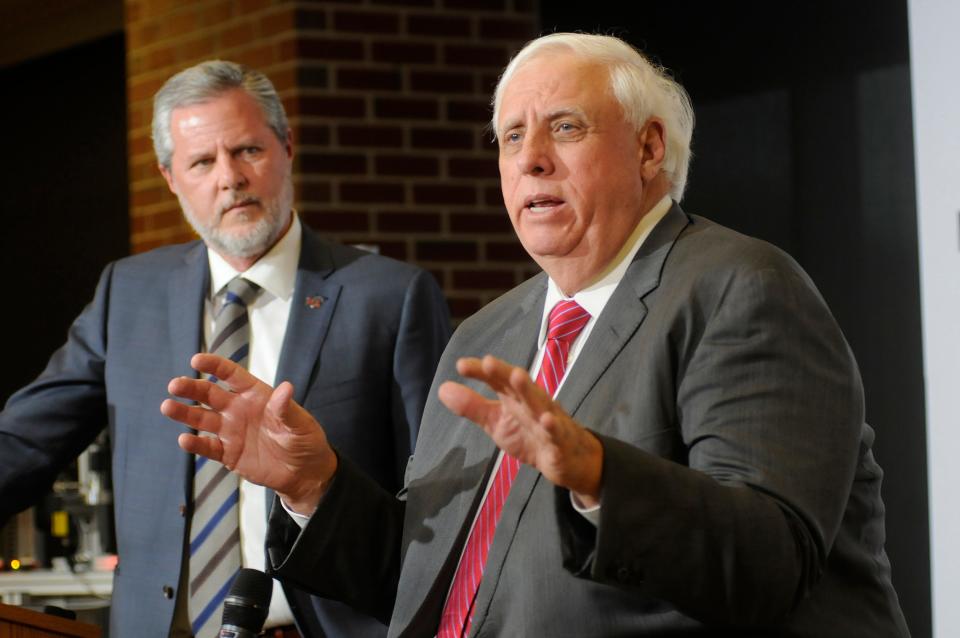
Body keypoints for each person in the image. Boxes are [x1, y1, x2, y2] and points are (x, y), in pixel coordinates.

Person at [162, 34, 910, 636]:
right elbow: (430, 578)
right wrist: (315, 486)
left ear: (650, 149)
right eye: (510, 136)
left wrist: (599, 477)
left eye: (565, 128)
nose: (530, 159)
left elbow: (768, 565)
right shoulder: (491, 330)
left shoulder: (740, 288)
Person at [0, 61, 451, 638]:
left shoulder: (390, 297)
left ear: (287, 147)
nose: (230, 178)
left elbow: (434, 503)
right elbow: (25, 441)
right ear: (170, 177)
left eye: (247, 151)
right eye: (202, 162)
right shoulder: (128, 292)